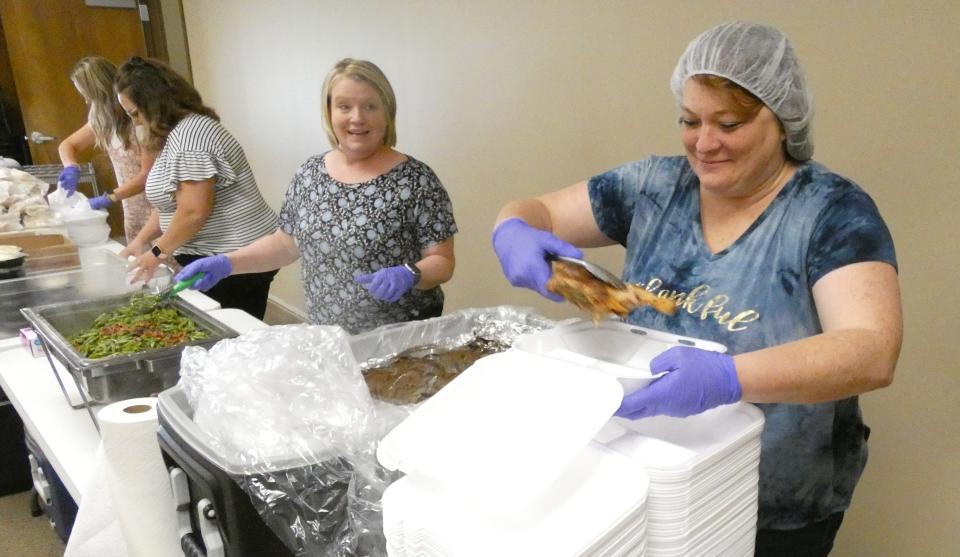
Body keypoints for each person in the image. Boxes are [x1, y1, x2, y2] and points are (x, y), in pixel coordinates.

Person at [492, 22, 901, 557]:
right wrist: (512, 230)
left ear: (782, 120)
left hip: (774, 508)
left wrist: (729, 379)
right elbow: (537, 210)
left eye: (728, 123)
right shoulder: (654, 188)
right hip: (651, 482)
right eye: (690, 121)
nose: (704, 144)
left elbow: (872, 350)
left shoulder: (830, 213)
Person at [175, 58, 457, 334]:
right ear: (329, 112)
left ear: (387, 113)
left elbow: (442, 263)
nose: (357, 117)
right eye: (344, 106)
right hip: (329, 333)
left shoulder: (417, 180)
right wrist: (227, 263)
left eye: (370, 106)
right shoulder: (310, 173)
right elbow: (286, 244)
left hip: (401, 336)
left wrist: (410, 274)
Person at [115, 57, 279, 319]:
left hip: (234, 257)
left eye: (135, 113)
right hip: (217, 254)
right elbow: (172, 203)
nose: (136, 123)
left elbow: (193, 211)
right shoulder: (177, 133)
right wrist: (140, 241)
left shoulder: (190, 138)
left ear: (154, 102)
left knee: (233, 334)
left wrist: (156, 253)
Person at [57, 56, 156, 242]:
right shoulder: (102, 120)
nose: (86, 101)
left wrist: (109, 198)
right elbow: (67, 145)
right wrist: (71, 166)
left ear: (99, 91)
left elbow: (146, 175)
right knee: (139, 260)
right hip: (131, 207)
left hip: (157, 206)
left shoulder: (139, 121)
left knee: (164, 261)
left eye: (88, 95)